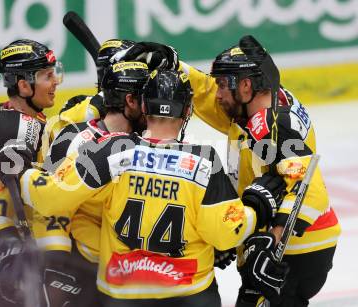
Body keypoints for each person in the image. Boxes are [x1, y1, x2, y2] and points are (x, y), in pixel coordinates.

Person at [0, 69, 286, 306]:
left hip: (123, 295)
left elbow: (49, 198)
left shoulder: (110, 150)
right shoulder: (204, 160)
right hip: (189, 295)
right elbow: (223, 234)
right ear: (187, 112)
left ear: (144, 107)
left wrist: (21, 173)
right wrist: (256, 206)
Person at [118, 38, 341, 306]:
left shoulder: (273, 125)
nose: (218, 93)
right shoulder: (256, 108)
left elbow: (310, 189)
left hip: (296, 251)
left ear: (246, 85)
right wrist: (177, 67)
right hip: (294, 244)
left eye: (223, 84)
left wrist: (272, 240)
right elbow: (205, 95)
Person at [0, 39, 63, 306]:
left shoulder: (3, 116)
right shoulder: (15, 132)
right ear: (23, 84)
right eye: (47, 76)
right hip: (5, 248)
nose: (56, 82)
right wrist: (11, 250)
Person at [40, 60, 149, 306]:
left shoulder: (148, 141)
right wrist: (55, 260)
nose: (153, 106)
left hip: (135, 270)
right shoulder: (73, 138)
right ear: (130, 101)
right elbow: (47, 201)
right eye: (147, 98)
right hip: (85, 267)